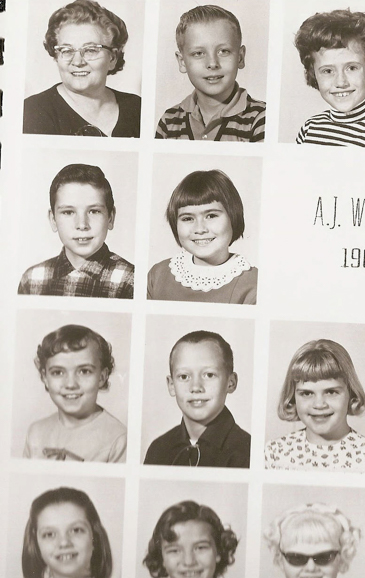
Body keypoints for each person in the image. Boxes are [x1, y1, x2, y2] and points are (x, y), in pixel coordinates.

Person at [23, 0, 141, 137]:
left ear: (112, 58)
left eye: (90, 50)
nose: (78, 62)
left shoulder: (137, 107)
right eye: (67, 51)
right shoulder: (32, 111)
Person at [18, 163, 134, 299]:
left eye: (94, 211)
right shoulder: (32, 280)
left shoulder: (130, 280)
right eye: (68, 212)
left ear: (110, 217)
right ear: (53, 219)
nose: (82, 225)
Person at [147, 169, 257, 304]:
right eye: (187, 218)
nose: (199, 229)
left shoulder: (255, 284)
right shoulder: (158, 275)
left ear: (233, 217)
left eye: (211, 216)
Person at [156, 5, 265, 141]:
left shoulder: (262, 119)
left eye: (223, 51)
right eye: (198, 53)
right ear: (182, 62)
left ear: (240, 57)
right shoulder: (169, 122)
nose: (213, 63)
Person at [143, 331, 250, 468]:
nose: (196, 387)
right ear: (171, 385)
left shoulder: (247, 452)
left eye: (209, 375)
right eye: (184, 377)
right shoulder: (158, 450)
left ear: (231, 382)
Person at [264, 339, 365, 472]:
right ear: (293, 397)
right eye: (307, 393)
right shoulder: (274, 453)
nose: (319, 404)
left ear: (351, 394)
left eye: (331, 392)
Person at [24, 324, 126, 462]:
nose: (71, 384)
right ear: (45, 378)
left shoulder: (118, 438)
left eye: (84, 371)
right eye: (58, 372)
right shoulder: (35, 433)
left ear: (102, 377)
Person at [18, 487, 120, 578]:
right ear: (36, 544)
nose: (64, 542)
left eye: (76, 530)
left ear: (94, 538)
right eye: (49, 534)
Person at [138, 500, 242, 578]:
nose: (188, 561)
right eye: (174, 550)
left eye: (200, 548)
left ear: (219, 552)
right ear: (162, 558)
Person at [293, 9, 365, 147]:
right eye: (328, 71)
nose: (341, 82)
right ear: (314, 75)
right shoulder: (309, 128)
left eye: (352, 68)